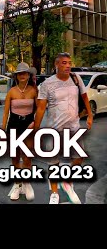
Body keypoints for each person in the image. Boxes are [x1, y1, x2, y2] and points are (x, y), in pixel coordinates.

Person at [33, 53, 93, 204]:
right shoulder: (47, 84)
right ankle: (54, 193)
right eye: (64, 63)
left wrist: (90, 115)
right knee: (54, 163)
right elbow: (41, 108)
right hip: (55, 130)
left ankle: (66, 181)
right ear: (57, 65)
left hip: (74, 127)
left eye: (69, 63)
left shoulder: (75, 78)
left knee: (79, 158)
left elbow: (84, 97)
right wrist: (36, 129)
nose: (68, 66)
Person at [1, 62, 37, 201]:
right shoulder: (12, 91)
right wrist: (3, 130)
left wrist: (34, 123)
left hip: (28, 124)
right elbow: (5, 114)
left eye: (25, 73)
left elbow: (38, 110)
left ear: (28, 75)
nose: (22, 75)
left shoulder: (34, 90)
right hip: (14, 124)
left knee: (27, 156)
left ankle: (27, 183)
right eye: (20, 73)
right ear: (16, 76)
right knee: (15, 156)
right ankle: (17, 184)